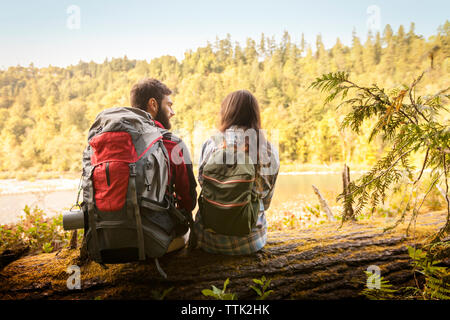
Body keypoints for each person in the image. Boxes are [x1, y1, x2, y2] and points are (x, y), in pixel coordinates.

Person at [193, 89, 279, 255]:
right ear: (255, 115)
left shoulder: (211, 143)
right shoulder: (267, 149)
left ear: (226, 113)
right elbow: (266, 202)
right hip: (252, 240)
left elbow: (203, 183)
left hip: (209, 239)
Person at [130, 78, 197, 252]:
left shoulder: (115, 140)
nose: (172, 112)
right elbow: (188, 201)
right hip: (154, 240)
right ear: (153, 104)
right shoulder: (171, 144)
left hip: (109, 239)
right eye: (169, 105)